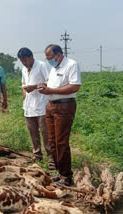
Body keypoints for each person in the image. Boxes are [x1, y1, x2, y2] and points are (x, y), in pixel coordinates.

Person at [38, 44, 81, 186]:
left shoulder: (71, 65)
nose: (49, 60)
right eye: (47, 58)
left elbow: (74, 86)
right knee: (52, 141)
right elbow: (54, 86)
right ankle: (59, 171)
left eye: (50, 57)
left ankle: (66, 175)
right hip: (51, 106)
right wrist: (45, 87)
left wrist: (50, 90)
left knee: (61, 141)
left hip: (64, 106)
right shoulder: (54, 68)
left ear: (59, 54)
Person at [18, 47, 54, 168]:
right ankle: (37, 155)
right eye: (22, 61)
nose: (24, 63)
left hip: (42, 104)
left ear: (31, 57)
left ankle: (52, 158)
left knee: (45, 132)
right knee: (33, 132)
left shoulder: (42, 66)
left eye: (25, 60)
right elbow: (23, 84)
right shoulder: (24, 69)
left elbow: (50, 82)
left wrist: (33, 87)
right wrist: (25, 94)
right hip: (29, 105)